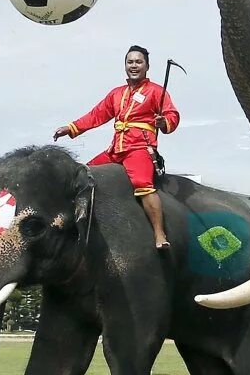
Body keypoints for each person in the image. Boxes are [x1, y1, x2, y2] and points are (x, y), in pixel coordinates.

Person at [53, 45, 179, 250]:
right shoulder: (117, 94)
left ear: (147, 66)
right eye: (130, 62)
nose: (134, 65)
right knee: (82, 173)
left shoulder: (156, 91)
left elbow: (172, 115)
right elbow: (97, 115)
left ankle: (159, 233)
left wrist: (163, 122)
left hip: (139, 147)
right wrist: (71, 128)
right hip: (116, 149)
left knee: (142, 183)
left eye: (139, 62)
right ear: (125, 66)